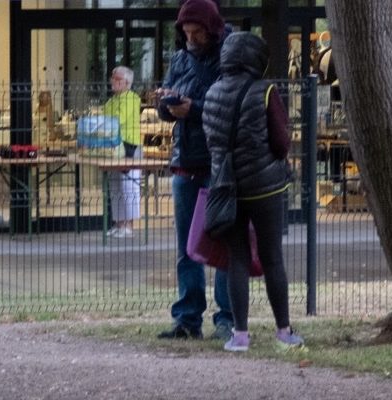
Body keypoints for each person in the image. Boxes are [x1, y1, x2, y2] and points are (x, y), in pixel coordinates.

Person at [205, 31, 301, 351]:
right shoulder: (266, 91)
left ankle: (240, 335)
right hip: (265, 189)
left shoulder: (213, 92)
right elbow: (281, 141)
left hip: (228, 188)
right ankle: (284, 332)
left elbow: (213, 142)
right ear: (256, 59)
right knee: (273, 258)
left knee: (237, 260)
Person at [154, 0, 234, 340]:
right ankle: (188, 318)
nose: (190, 38)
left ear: (210, 29)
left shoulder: (229, 56)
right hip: (185, 160)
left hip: (218, 162)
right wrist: (166, 104)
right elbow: (163, 111)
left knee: (222, 243)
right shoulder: (180, 58)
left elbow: (232, 105)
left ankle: (227, 317)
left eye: (196, 32)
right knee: (187, 247)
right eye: (186, 33)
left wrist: (195, 109)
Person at [103, 66, 143, 239]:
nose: (113, 82)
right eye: (113, 78)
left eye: (117, 79)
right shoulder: (111, 101)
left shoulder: (131, 98)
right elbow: (105, 120)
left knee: (129, 186)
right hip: (113, 147)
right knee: (115, 185)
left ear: (127, 83)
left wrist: (106, 124)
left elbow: (117, 120)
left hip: (130, 146)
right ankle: (119, 223)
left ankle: (129, 225)